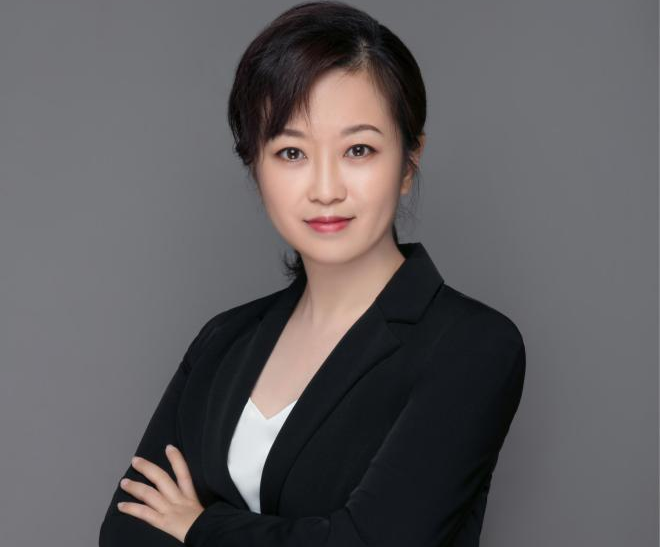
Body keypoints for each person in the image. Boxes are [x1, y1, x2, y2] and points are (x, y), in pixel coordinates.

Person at [99, 2, 526, 546]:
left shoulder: (472, 346)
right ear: (256, 167)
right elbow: (125, 535)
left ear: (408, 161)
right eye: (291, 152)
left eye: (358, 149)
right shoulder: (223, 340)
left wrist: (198, 525)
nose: (326, 189)